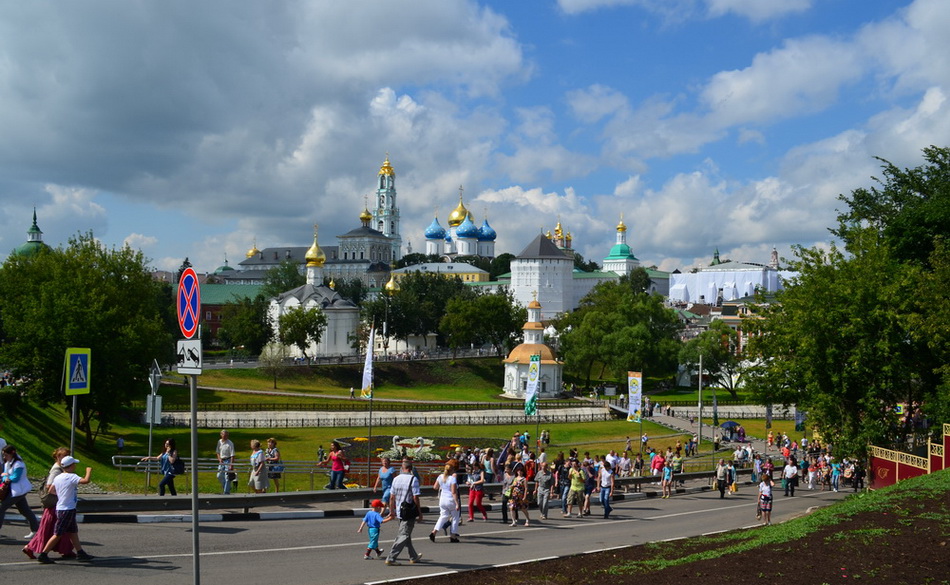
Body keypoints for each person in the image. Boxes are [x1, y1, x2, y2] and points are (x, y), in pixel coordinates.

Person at [36, 455, 94, 564]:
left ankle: (80, 553)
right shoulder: (71, 476)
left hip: (62, 507)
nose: (75, 466)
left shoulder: (58, 477)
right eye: (74, 464)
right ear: (71, 466)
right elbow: (86, 481)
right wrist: (88, 471)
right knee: (58, 533)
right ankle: (43, 554)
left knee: (73, 531)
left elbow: (51, 490)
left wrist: (62, 494)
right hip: (67, 509)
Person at [24, 447, 75, 560]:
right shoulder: (56, 469)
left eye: (68, 455)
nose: (66, 457)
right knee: (50, 530)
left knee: (57, 529)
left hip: (57, 504)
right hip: (54, 504)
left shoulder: (61, 468)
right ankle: (30, 547)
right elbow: (49, 486)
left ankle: (66, 550)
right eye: (64, 455)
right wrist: (63, 493)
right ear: (57, 457)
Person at [385, 460, 423, 566]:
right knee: (404, 535)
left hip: (399, 511)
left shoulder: (396, 479)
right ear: (411, 469)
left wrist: (392, 511)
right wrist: (419, 512)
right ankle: (391, 557)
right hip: (409, 512)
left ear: (402, 468)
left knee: (405, 534)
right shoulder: (413, 479)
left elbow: (392, 497)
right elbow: (415, 497)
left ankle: (413, 556)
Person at [0, 445, 40, 538]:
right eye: (3, 455)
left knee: (1, 508)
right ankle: (36, 530)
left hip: (19, 490)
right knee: (24, 510)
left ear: (12, 453)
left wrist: (7, 478)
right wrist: (6, 477)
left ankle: (36, 530)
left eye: (6, 455)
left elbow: (16, 478)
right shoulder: (8, 463)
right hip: (14, 490)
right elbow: (5, 474)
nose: (4, 457)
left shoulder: (19, 464)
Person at [430, 463, 461, 542]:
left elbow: (435, 487)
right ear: (452, 470)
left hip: (442, 500)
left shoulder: (440, 476)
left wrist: (442, 486)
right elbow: (454, 492)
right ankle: (453, 536)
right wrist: (457, 503)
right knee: (455, 517)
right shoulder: (452, 478)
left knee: (443, 516)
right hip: (451, 500)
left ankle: (434, 532)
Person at [216, 429, 235, 494]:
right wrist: (219, 458)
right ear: (221, 435)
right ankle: (226, 487)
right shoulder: (219, 442)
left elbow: (232, 455)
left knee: (227, 477)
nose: (225, 436)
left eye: (227, 435)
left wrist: (231, 464)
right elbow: (218, 452)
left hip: (228, 460)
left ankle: (226, 492)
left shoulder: (230, 443)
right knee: (219, 475)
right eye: (224, 435)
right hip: (222, 461)